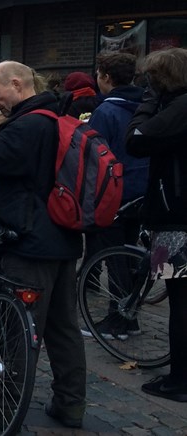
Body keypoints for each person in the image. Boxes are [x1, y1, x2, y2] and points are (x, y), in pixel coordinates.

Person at [0, 61, 86, 427]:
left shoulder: (29, 126)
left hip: (29, 243)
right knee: (63, 328)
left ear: (17, 83)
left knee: (15, 330)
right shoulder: (53, 117)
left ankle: (3, 406)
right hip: (61, 240)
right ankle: (70, 404)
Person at [126, 47, 187, 403]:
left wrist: (148, 103)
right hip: (175, 213)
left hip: (175, 218)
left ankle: (179, 379)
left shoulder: (178, 108)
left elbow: (135, 141)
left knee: (180, 300)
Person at [82, 51, 148, 339]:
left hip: (114, 192)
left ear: (106, 77)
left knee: (113, 256)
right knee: (131, 253)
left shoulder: (106, 111)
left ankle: (116, 319)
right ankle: (131, 317)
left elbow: (94, 156)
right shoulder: (147, 105)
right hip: (142, 188)